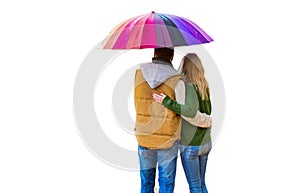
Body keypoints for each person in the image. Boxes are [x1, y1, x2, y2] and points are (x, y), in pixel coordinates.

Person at [134, 48, 211, 193]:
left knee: (146, 183)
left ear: (155, 53)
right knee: (166, 185)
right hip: (168, 140)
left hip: (144, 136)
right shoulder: (177, 80)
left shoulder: (139, 74)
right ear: (172, 57)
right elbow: (186, 112)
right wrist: (208, 121)